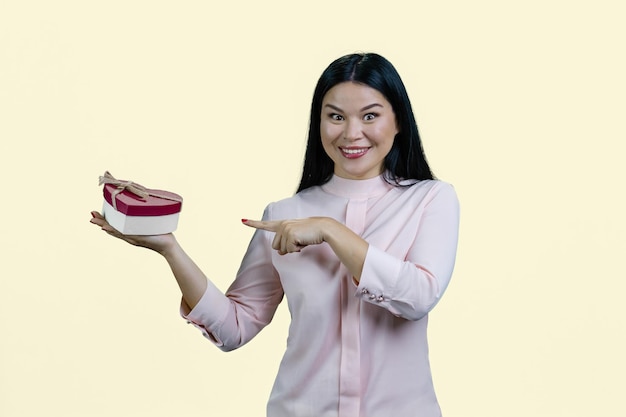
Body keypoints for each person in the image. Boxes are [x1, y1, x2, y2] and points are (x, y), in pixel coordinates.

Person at [90, 52, 460, 417]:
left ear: (398, 122)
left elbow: (418, 297)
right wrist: (169, 248)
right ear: (318, 123)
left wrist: (330, 230)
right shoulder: (285, 215)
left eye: (370, 116)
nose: (351, 133)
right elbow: (235, 326)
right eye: (335, 116)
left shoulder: (430, 200)